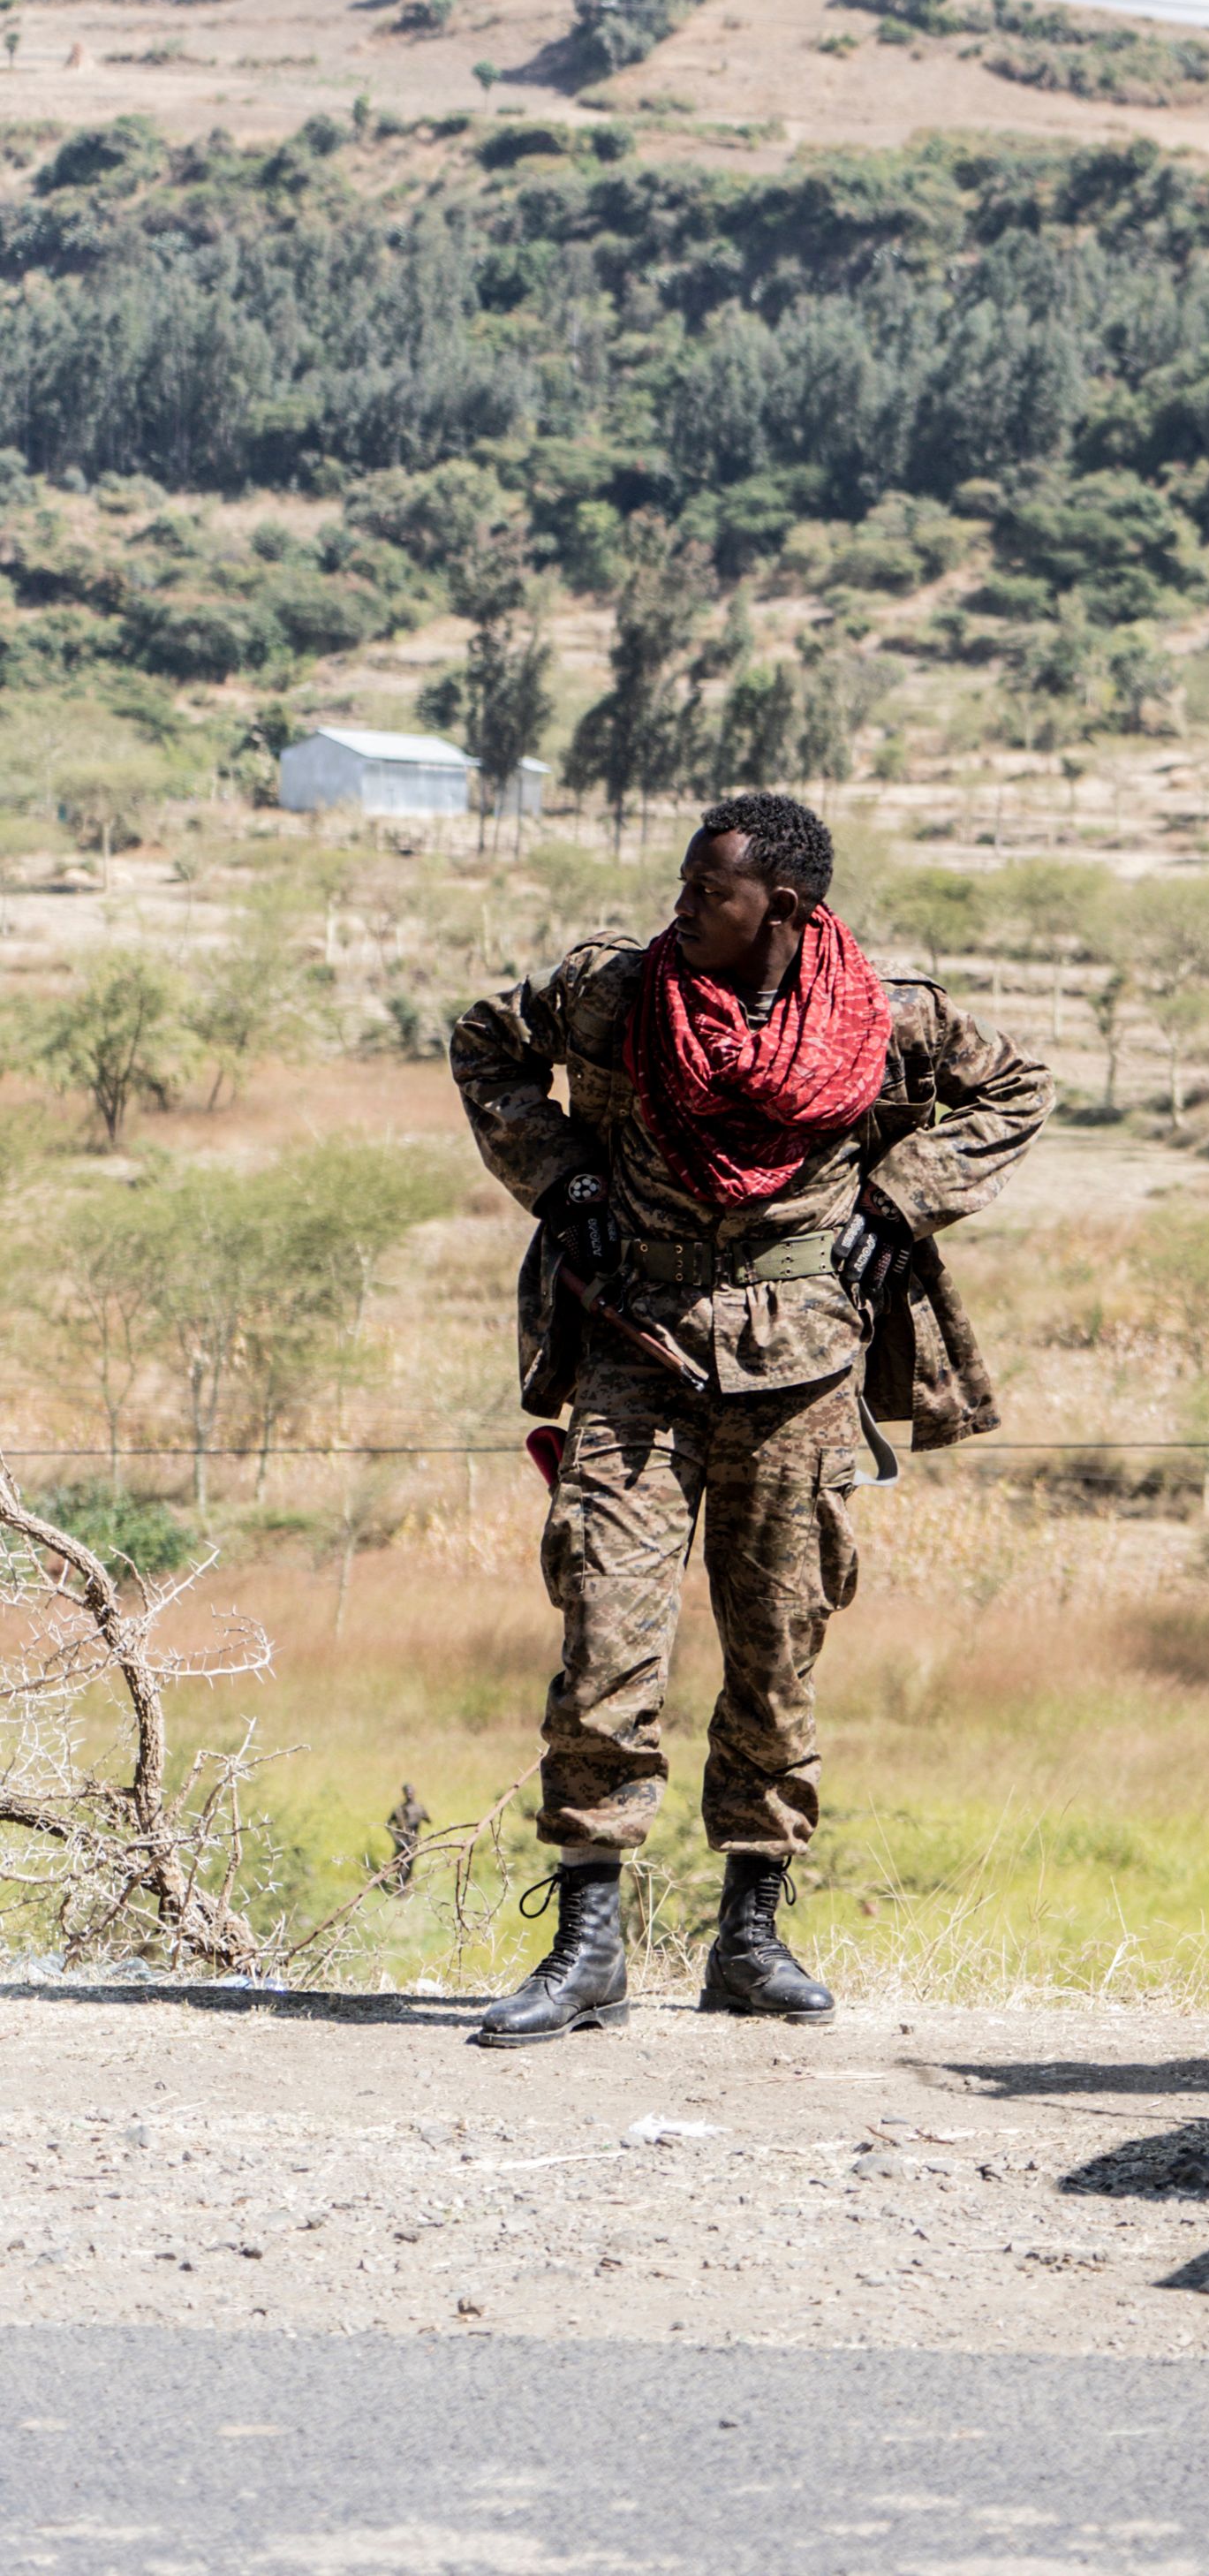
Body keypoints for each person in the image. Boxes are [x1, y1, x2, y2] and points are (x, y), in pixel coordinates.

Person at [449, 792, 1048, 2046]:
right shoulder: (614, 992)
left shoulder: (884, 1019)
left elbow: (1018, 1088)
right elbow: (485, 1045)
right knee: (606, 1636)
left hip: (802, 1372)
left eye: (705, 890)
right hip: (631, 1349)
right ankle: (588, 1944)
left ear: (780, 908)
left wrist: (902, 1194)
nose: (679, 904)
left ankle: (751, 1935)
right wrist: (563, 1180)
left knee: (778, 1650)